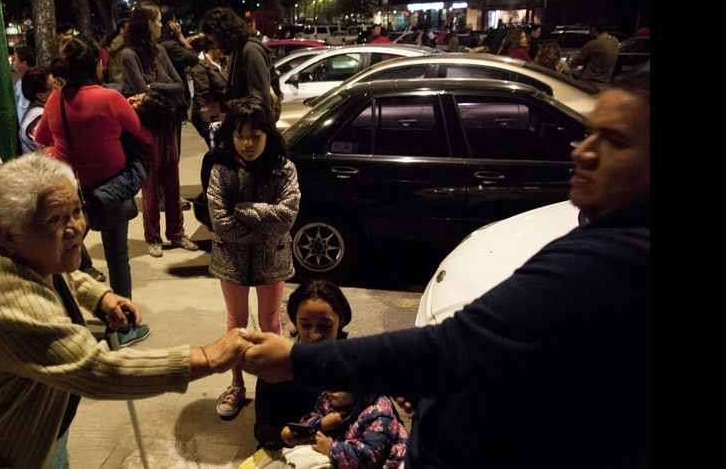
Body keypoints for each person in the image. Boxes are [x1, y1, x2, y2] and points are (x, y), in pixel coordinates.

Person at [241, 68, 651, 468]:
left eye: (614, 140)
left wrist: (297, 359)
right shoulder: (606, 235)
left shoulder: (615, 258)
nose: (582, 150)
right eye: (590, 131)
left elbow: (455, 346)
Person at [0, 153, 252, 469]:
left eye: (76, 210)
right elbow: (97, 370)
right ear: (8, 233)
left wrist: (99, 296)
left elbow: (55, 268)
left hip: (13, 428)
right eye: (55, 221)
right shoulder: (3, 303)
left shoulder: (17, 245)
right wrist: (205, 357)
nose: (75, 228)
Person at [34, 36, 150, 343]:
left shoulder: (54, 98)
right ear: (96, 65)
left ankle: (64, 320)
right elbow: (143, 133)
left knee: (63, 257)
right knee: (116, 256)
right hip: (109, 189)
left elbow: (40, 136)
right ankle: (124, 324)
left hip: (68, 190)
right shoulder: (110, 98)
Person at [207, 98, 300, 419]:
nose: (247, 143)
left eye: (255, 135)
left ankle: (272, 386)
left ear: (268, 134)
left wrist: (245, 210)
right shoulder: (221, 169)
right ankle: (236, 384)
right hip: (230, 260)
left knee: (271, 322)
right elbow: (221, 223)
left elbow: (286, 218)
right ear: (230, 135)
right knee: (237, 324)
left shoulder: (284, 169)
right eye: (240, 135)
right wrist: (265, 222)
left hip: (272, 260)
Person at [120, 1, 199, 258]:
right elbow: (143, 89)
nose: (161, 25)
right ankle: (152, 237)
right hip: (146, 125)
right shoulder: (129, 55)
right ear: (145, 24)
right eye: (156, 20)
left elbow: (178, 85)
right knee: (151, 183)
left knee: (172, 180)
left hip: (168, 121)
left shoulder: (160, 51)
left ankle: (176, 233)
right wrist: (160, 85)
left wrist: (156, 86)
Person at [254, 280, 353, 451]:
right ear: (296, 323)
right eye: (306, 325)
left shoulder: (356, 362)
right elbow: (262, 429)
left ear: (340, 322)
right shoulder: (275, 366)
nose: (314, 335)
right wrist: (282, 436)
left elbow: (388, 417)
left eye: (325, 325)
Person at [200, 7, 277, 120]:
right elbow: (241, 92)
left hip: (254, 130)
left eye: (215, 40)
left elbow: (259, 99)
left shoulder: (251, 51)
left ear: (225, 33)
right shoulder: (238, 50)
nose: (215, 46)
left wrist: (222, 107)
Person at [297, 391, 409, 469]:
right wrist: (322, 423)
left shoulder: (379, 411)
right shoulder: (328, 399)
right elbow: (305, 422)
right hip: (343, 453)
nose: (331, 388)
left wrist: (331, 449)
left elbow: (368, 458)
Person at [158, 9, 201, 154]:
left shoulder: (160, 44)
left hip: (165, 102)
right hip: (173, 102)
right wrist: (181, 37)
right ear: (170, 24)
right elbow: (194, 58)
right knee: (173, 151)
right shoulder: (169, 46)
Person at [189, 34, 229, 147]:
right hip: (212, 118)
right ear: (212, 46)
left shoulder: (224, 62)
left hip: (224, 115)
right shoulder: (201, 66)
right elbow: (202, 96)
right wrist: (207, 124)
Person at [570, 18, 620, 92]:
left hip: (588, 85)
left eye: (589, 30)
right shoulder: (615, 41)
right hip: (605, 85)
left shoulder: (593, 44)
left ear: (593, 29)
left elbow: (573, 64)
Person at [18, 65, 56, 154]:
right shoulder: (39, 119)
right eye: (53, 87)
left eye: (57, 83)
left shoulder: (40, 108)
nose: (58, 88)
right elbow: (49, 151)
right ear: (40, 95)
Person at [14, 45, 36, 123]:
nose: (13, 63)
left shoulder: (34, 83)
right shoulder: (20, 82)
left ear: (24, 63)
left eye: (15, 60)